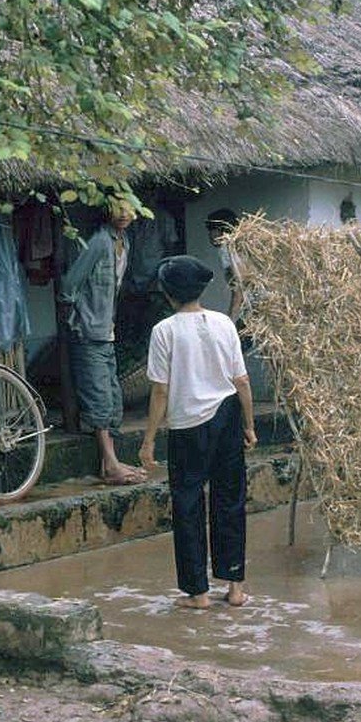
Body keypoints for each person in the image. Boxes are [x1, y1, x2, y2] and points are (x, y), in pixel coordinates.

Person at [139, 255, 257, 609]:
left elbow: (160, 390)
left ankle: (198, 593)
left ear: (168, 293)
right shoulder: (223, 323)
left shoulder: (165, 331)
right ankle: (235, 587)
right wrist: (249, 425)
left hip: (188, 425)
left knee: (188, 504)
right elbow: (242, 381)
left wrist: (148, 441)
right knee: (230, 500)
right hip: (227, 416)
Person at [59, 199, 147, 486]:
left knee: (111, 396)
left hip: (106, 330)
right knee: (99, 397)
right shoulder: (98, 241)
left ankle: (110, 462)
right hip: (90, 331)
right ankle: (110, 466)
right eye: (118, 209)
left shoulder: (124, 241)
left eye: (128, 210)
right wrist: (80, 318)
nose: (124, 215)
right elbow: (70, 284)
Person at [205, 209, 248, 326]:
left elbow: (239, 285)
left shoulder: (227, 249)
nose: (210, 234)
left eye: (212, 229)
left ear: (221, 231)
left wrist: (230, 321)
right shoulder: (240, 245)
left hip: (253, 306)